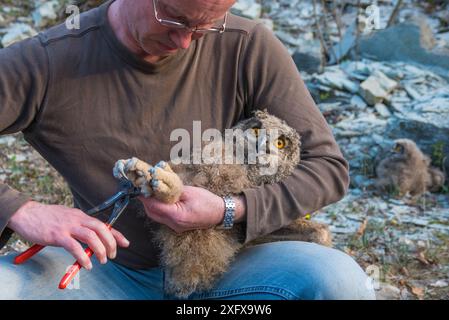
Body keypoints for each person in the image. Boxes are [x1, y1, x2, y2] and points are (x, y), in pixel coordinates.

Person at [0, 0, 376, 299]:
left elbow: (326, 166)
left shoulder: (247, 46)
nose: (184, 42)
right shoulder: (48, 61)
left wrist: (229, 210)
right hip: (106, 273)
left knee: (338, 281)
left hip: (228, 272)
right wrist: (21, 210)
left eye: (205, 26)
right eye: (176, 19)